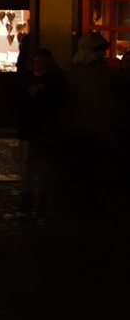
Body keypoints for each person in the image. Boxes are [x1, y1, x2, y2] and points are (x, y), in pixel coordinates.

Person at [64, 32, 115, 208]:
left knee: (93, 162)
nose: (102, 53)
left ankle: (88, 196)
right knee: (80, 161)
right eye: (100, 50)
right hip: (80, 124)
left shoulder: (101, 70)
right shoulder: (74, 70)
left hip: (94, 123)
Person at [15, 47, 67, 214]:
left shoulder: (55, 80)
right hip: (30, 127)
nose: (39, 65)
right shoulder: (26, 79)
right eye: (36, 61)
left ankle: (42, 197)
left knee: (44, 165)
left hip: (46, 127)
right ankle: (28, 196)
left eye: (42, 62)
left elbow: (59, 102)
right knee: (28, 165)